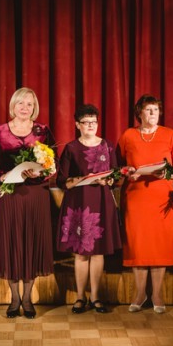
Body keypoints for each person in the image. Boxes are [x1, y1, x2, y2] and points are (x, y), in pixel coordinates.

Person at [0, 88, 56, 319]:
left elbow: (53, 163)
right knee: (11, 244)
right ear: (13, 106)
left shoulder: (43, 131)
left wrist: (41, 172)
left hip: (35, 195)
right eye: (21, 103)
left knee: (31, 242)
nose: (25, 108)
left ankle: (28, 299)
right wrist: (0, 175)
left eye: (29, 104)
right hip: (9, 196)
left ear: (35, 108)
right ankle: (14, 299)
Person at [117, 94, 173, 314]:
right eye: (148, 109)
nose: (153, 113)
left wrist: (169, 173)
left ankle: (156, 294)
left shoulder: (170, 134)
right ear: (140, 113)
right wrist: (127, 172)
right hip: (136, 198)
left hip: (162, 198)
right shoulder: (128, 135)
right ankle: (140, 293)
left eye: (156, 109)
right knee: (138, 245)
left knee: (159, 245)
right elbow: (118, 166)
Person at [56, 104, 122, 314]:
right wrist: (82, 179)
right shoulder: (71, 148)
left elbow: (115, 176)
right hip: (79, 203)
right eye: (86, 123)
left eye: (94, 122)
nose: (91, 126)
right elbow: (61, 181)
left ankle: (95, 296)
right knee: (81, 253)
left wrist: (108, 180)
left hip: (102, 202)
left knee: (99, 252)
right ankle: (80, 297)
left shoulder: (107, 145)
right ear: (78, 125)